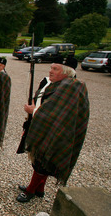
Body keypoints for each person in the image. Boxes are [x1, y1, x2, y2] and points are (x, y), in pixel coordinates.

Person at [16, 58, 89, 202]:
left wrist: (34, 111)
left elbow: (57, 115)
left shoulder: (70, 86)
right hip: (47, 128)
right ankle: (39, 188)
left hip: (58, 131)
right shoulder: (57, 84)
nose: (50, 71)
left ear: (67, 72)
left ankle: (31, 190)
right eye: (51, 67)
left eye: (55, 69)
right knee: (40, 160)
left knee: (42, 161)